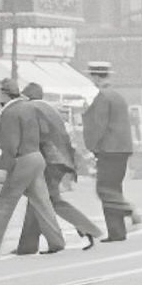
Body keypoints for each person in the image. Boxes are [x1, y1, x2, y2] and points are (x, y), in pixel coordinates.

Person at [0, 79, 66, 256]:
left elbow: (10, 145)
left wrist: (2, 169)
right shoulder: (29, 107)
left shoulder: (10, 113)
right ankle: (56, 241)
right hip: (37, 157)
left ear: (3, 94)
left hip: (22, 160)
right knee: (41, 202)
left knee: (5, 202)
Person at [16, 83, 103, 254]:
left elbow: (39, 136)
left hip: (50, 161)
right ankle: (27, 245)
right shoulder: (48, 109)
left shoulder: (33, 110)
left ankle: (89, 228)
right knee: (39, 200)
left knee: (51, 200)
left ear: (27, 96)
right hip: (59, 161)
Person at [81, 61, 136, 242]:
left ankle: (128, 210)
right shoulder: (117, 96)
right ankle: (117, 231)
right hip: (122, 148)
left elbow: (99, 125)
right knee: (113, 188)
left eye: (92, 76)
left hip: (109, 149)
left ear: (96, 76)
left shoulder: (103, 97)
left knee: (104, 189)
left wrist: (91, 146)